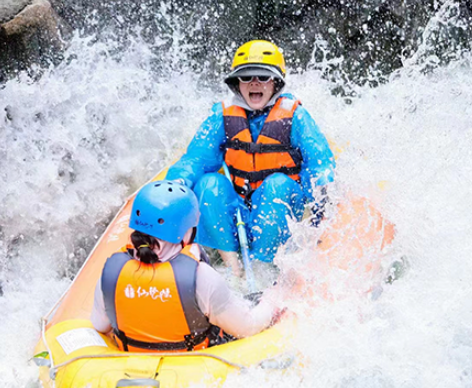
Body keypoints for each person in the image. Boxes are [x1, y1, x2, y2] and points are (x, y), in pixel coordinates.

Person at [166, 39, 335, 269]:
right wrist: (175, 184)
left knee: (277, 185)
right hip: (238, 211)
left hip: (283, 212)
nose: (255, 83)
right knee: (208, 183)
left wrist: (322, 201)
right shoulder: (221, 115)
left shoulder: (296, 116)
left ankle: (261, 270)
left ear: (276, 82)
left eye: (263, 77)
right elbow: (197, 158)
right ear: (237, 83)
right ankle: (234, 270)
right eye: (247, 77)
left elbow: (320, 163)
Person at [90, 180, 279, 352]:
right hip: (192, 365)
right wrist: (273, 300)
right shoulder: (201, 278)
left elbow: (100, 326)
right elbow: (247, 328)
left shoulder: (111, 272)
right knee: (257, 300)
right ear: (187, 230)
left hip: (131, 364)